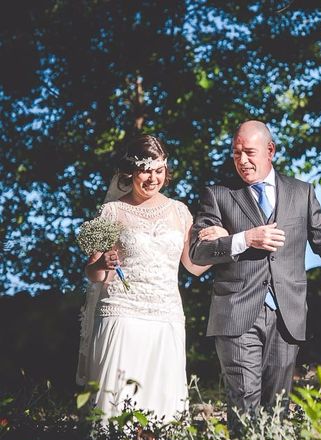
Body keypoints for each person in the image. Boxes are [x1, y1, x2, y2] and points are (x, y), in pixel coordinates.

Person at [189, 120, 321, 425]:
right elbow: (198, 252)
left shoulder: (301, 193)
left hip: (287, 316)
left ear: (270, 150)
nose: (242, 161)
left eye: (249, 152)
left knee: (277, 411)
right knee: (244, 406)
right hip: (237, 314)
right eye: (236, 154)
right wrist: (244, 239)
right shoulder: (218, 195)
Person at [77, 135, 225, 421]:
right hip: (122, 314)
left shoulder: (180, 212)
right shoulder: (113, 211)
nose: (152, 178)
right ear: (130, 172)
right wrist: (104, 264)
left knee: (163, 408)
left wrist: (225, 245)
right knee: (117, 405)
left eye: (159, 171)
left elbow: (193, 266)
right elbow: (92, 272)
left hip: (166, 315)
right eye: (146, 170)